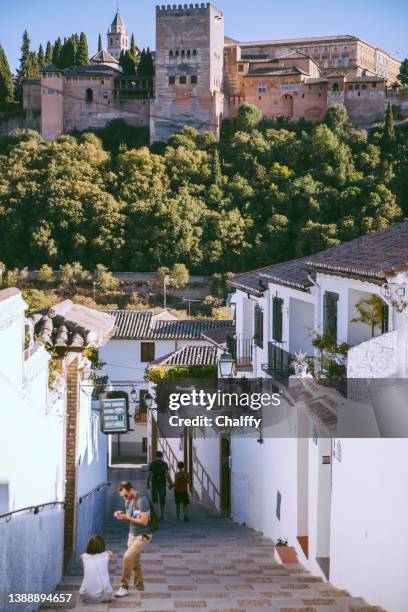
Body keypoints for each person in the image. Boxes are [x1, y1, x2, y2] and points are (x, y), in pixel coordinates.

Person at [114, 481, 153, 598]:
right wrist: (121, 516)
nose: (124, 498)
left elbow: (144, 521)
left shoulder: (142, 501)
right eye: (122, 496)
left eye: (125, 495)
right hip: (132, 535)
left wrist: (127, 517)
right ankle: (139, 586)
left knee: (127, 557)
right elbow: (130, 518)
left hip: (143, 536)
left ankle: (124, 586)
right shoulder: (128, 501)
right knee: (135, 562)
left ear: (131, 490)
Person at [79, 534, 113, 603]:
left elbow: (82, 557)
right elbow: (110, 554)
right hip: (102, 595)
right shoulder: (106, 555)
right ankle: (102, 597)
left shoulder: (84, 557)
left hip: (85, 595)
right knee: (108, 587)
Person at [147, 451, 172, 520]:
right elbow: (167, 474)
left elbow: (149, 474)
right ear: (162, 456)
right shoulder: (164, 464)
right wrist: (170, 483)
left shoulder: (153, 464)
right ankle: (162, 515)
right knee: (162, 499)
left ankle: (156, 515)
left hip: (154, 482)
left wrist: (148, 483)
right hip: (162, 483)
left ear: (156, 456)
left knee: (155, 500)